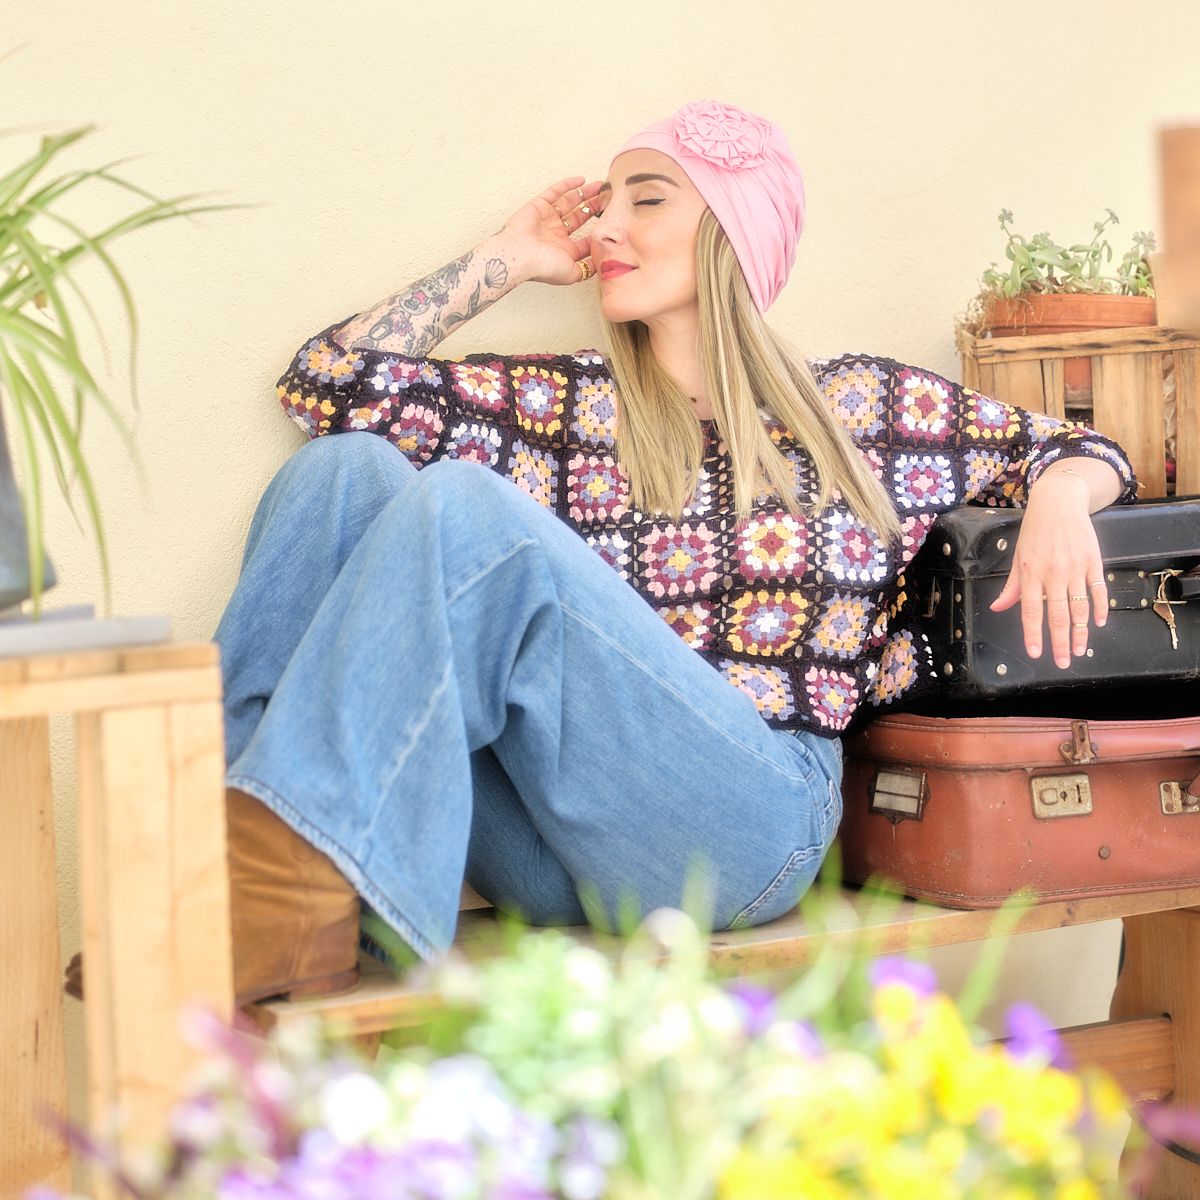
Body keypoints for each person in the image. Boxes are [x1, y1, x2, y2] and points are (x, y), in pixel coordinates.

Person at [214, 99, 1137, 1008]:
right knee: (340, 473)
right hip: (556, 853)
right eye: (606, 204)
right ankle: (247, 891)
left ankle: (264, 900)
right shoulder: (566, 409)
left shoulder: (865, 410)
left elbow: (1083, 450)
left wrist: (1061, 490)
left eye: (645, 199)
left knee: (463, 509)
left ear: (732, 232)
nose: (608, 227)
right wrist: (506, 260)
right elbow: (326, 383)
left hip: (749, 831)